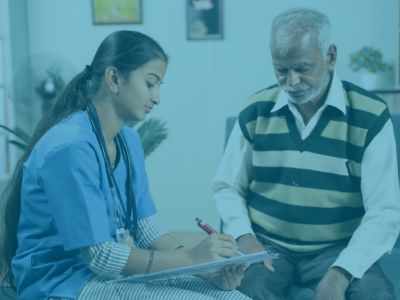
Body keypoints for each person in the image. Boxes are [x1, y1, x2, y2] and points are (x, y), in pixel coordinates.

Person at [0, 31, 250, 300]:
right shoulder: (70, 147)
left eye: (159, 86)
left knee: (233, 298)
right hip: (61, 282)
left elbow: (146, 229)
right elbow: (101, 256)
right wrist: (191, 258)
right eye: (150, 84)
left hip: (110, 275)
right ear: (114, 79)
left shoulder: (128, 140)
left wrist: (206, 269)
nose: (157, 98)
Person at [212, 7, 400, 300]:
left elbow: (385, 209)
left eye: (302, 68)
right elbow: (227, 186)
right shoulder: (254, 110)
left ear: (330, 57)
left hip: (337, 248)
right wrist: (244, 237)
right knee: (242, 293)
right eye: (281, 69)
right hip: (267, 246)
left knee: (374, 294)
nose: (291, 82)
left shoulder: (371, 115)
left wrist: (341, 273)